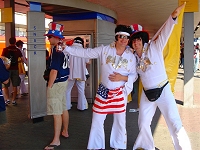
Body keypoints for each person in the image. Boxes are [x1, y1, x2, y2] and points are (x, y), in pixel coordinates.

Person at [61, 25, 138, 150]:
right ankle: (96, 146)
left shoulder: (131, 56)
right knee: (97, 119)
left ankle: (118, 145)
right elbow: (86, 52)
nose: (124, 40)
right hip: (103, 91)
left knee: (120, 122)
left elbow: (134, 75)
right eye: (121, 37)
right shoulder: (105, 50)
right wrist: (67, 49)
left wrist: (122, 78)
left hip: (120, 93)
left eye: (127, 38)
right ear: (116, 37)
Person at [127, 3, 191, 150]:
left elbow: (166, 32)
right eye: (134, 40)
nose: (136, 42)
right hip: (146, 93)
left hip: (163, 90)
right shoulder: (133, 58)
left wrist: (173, 16)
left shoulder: (155, 46)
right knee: (143, 122)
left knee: (174, 123)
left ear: (143, 40)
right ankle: (146, 146)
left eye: (138, 39)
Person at [44, 22, 70, 150]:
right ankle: (65, 131)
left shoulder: (56, 50)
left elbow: (53, 71)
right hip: (64, 81)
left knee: (56, 112)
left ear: (56, 37)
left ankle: (56, 140)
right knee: (63, 107)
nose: (48, 39)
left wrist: (49, 86)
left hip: (57, 82)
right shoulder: (63, 49)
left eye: (49, 37)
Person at [66, 37, 90, 111]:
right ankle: (81, 106)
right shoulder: (84, 51)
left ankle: (67, 106)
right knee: (81, 90)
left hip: (70, 73)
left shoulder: (68, 49)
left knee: (67, 90)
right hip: (81, 74)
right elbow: (88, 61)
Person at [1, 37, 23, 106]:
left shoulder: (5, 49)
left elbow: (2, 58)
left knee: (6, 85)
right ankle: (13, 100)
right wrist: (17, 61)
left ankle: (7, 99)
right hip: (15, 69)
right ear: (15, 42)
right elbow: (22, 59)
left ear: (9, 41)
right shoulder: (17, 50)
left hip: (7, 69)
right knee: (15, 85)